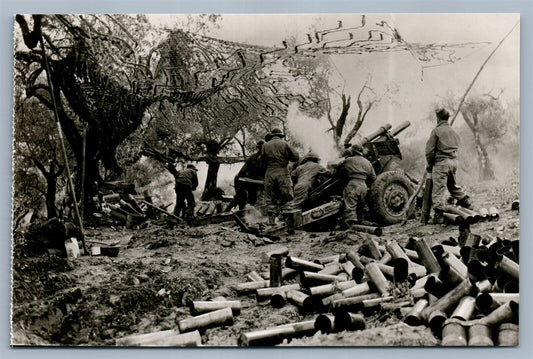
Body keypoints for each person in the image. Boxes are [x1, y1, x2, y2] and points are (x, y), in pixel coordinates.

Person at [425, 108, 472, 224]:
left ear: (438, 118)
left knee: (438, 190)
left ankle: (438, 216)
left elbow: (429, 151)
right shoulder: (454, 131)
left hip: (441, 163)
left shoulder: (436, 131)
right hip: (454, 162)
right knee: (452, 186)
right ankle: (465, 201)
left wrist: (430, 164)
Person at [260, 128, 300, 225]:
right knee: (287, 198)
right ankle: (288, 223)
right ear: (280, 136)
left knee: (270, 199)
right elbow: (296, 157)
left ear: (272, 136)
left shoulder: (265, 145)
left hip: (269, 173)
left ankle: (272, 223)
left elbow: (262, 160)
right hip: (283, 172)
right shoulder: (284, 144)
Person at [337, 143, 376, 226]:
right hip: (363, 186)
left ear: (352, 151)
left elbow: (338, 170)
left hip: (353, 184)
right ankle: (360, 222)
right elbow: (373, 178)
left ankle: (351, 225)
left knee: (350, 206)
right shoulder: (368, 162)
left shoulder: (348, 160)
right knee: (361, 206)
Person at [225, 140, 267, 212]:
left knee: (254, 200)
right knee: (243, 198)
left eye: (262, 148)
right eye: (260, 148)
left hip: (258, 182)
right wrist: (240, 180)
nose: (261, 149)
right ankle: (238, 212)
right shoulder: (253, 157)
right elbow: (243, 170)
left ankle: (249, 214)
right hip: (250, 181)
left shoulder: (266, 159)